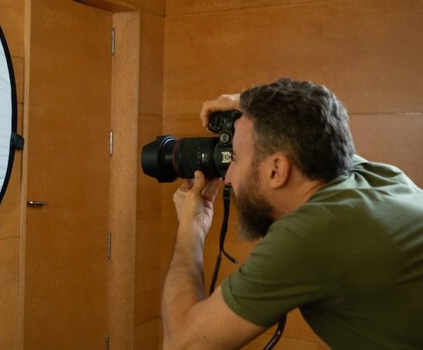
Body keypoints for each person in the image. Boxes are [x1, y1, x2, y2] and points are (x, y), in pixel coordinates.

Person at [162, 78, 423, 349]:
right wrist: (245, 102)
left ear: (277, 170)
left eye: (235, 158)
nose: (226, 176)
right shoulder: (377, 176)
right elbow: (315, 120)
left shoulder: (313, 235)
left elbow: (182, 343)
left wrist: (190, 230)